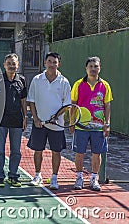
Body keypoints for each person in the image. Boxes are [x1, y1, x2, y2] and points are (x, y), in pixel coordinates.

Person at [27, 52, 71, 190]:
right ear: (45, 63)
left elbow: (67, 105)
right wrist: (35, 119)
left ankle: (54, 178)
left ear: (59, 64)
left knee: (56, 152)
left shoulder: (64, 82)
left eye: (55, 62)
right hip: (39, 124)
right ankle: (37, 175)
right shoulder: (37, 79)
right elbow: (31, 101)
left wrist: (56, 117)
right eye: (49, 61)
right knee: (38, 150)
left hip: (57, 125)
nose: (52, 64)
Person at [70, 56, 112, 191]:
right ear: (86, 68)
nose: (93, 69)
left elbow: (107, 106)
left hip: (99, 127)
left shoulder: (105, 85)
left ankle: (94, 179)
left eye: (96, 66)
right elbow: (73, 105)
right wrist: (72, 122)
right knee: (79, 153)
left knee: (96, 154)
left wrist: (107, 123)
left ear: (100, 68)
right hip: (81, 126)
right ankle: (79, 178)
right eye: (91, 66)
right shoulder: (78, 84)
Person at [0, 53, 27, 188]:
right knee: (0, 151)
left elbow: (23, 100)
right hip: (1, 121)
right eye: (9, 63)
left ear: (17, 65)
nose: (11, 66)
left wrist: (25, 117)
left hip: (17, 121)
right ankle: (0, 177)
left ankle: (13, 176)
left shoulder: (22, 80)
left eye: (14, 64)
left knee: (16, 151)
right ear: (4, 65)